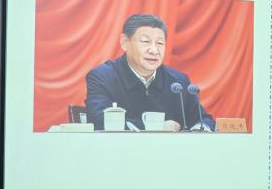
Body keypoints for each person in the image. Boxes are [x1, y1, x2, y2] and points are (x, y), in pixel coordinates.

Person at [85, 13, 214, 131]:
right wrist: (156, 127)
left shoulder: (178, 82)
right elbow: (98, 120)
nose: (154, 50)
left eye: (160, 43)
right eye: (145, 41)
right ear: (124, 42)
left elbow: (204, 120)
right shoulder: (103, 77)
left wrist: (200, 128)